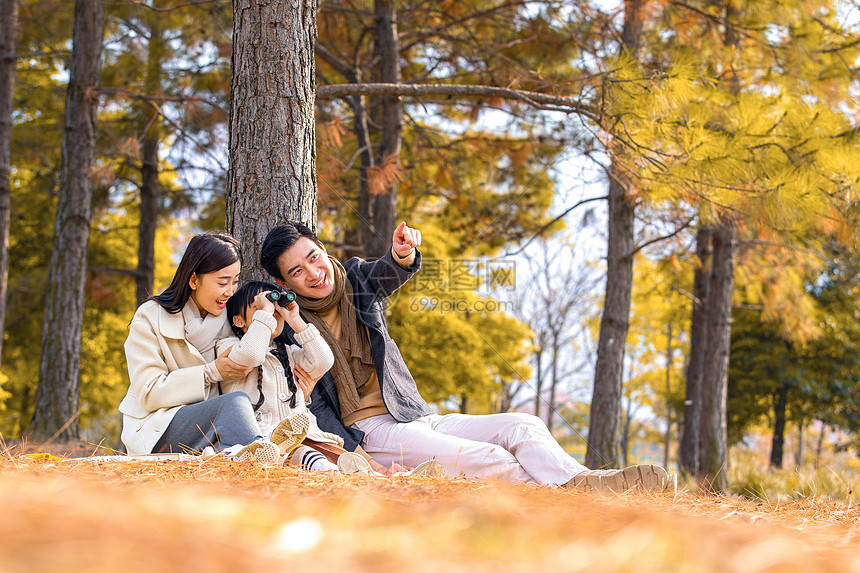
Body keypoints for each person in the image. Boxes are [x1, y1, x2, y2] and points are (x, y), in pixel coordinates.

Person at [259, 220, 671, 491]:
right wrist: (352, 453)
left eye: (313, 257)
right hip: (370, 433)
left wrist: (402, 253)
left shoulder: (356, 280)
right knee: (488, 458)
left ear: (321, 248)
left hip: (413, 414)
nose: (314, 273)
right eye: (297, 271)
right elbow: (309, 406)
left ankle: (587, 485)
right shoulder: (287, 331)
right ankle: (574, 497)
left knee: (522, 425)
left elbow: (389, 270)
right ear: (283, 281)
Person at [119, 232, 280, 463]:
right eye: (223, 282)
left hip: (212, 429)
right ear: (194, 280)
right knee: (235, 403)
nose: (230, 291)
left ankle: (254, 452)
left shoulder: (231, 319)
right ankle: (260, 459)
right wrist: (211, 372)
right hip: (158, 427)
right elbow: (148, 392)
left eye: (235, 281)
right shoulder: (150, 317)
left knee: (242, 409)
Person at [215, 280, 376, 473]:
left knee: (342, 457)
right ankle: (327, 470)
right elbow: (252, 355)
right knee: (305, 455)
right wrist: (265, 313)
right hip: (265, 440)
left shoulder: (290, 353)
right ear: (239, 320)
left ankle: (389, 476)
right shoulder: (229, 347)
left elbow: (324, 361)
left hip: (308, 436)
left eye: (276, 307)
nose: (272, 312)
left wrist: (294, 319)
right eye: (258, 306)